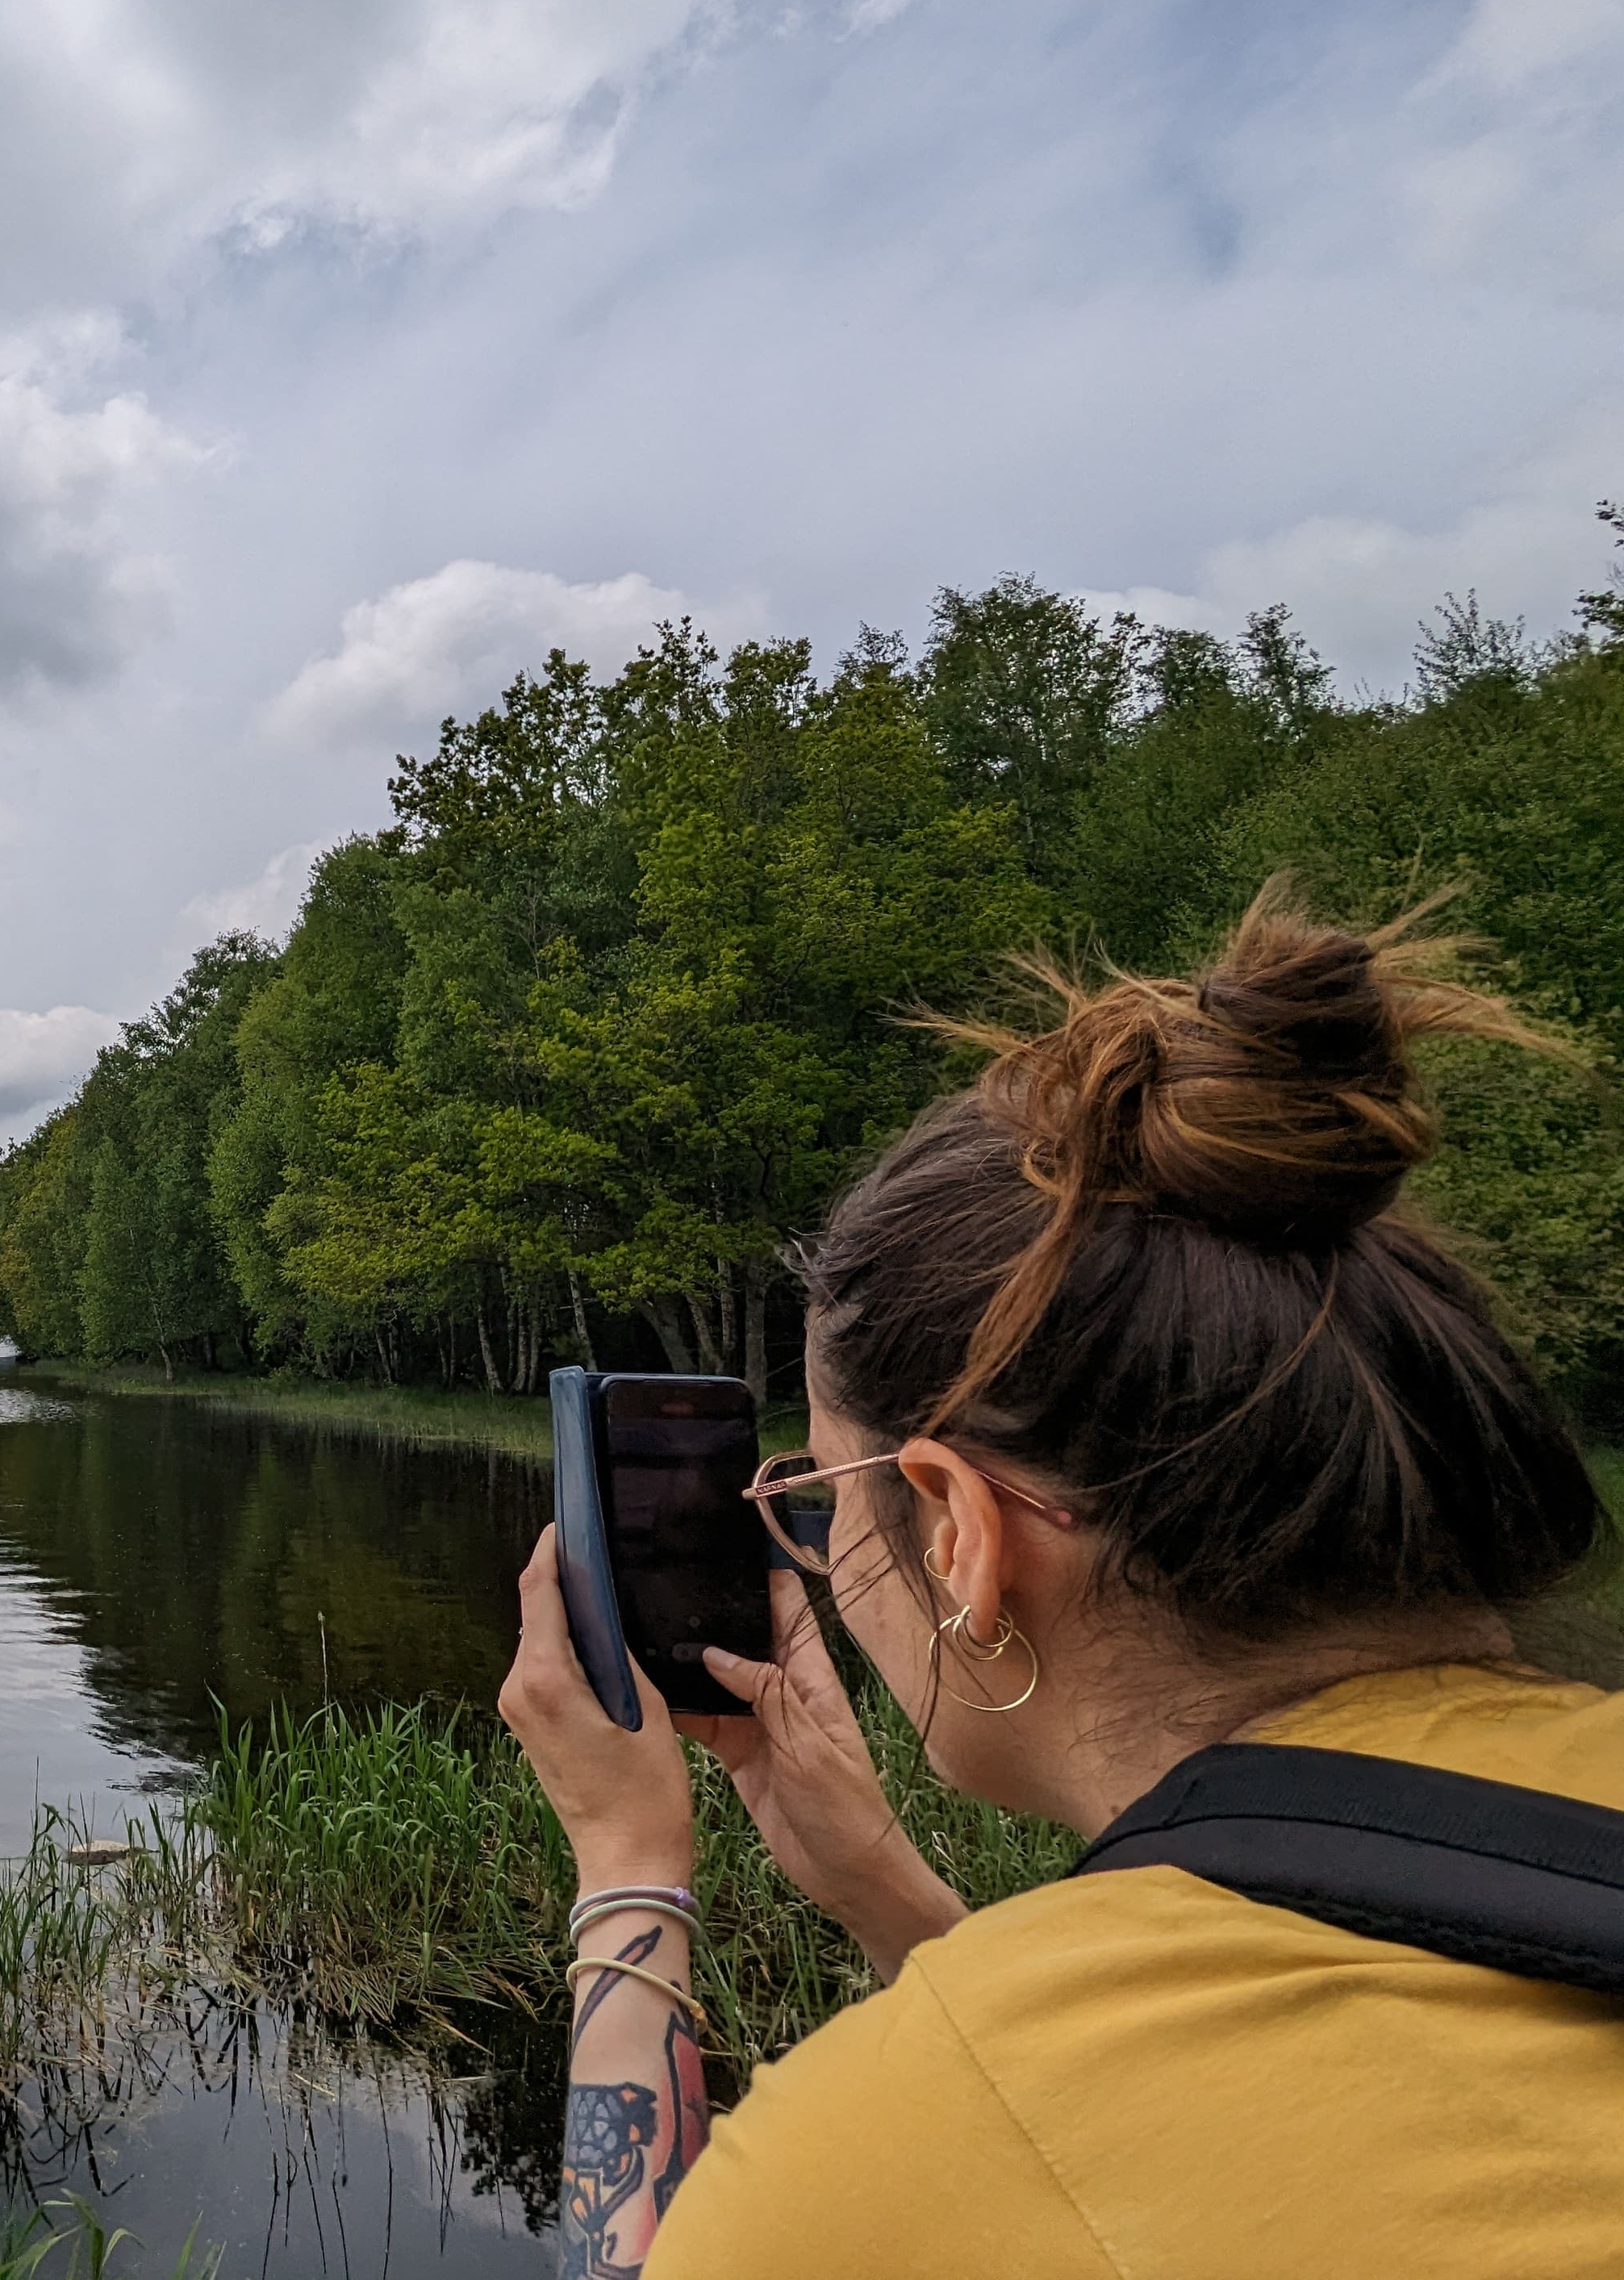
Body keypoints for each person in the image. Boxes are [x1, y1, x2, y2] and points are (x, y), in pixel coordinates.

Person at [493, 893, 1624, 2278]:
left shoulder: (866, 2162)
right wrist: (884, 1894)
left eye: (822, 1499)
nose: (825, 1562)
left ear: (956, 1532)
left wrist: (629, 1872)